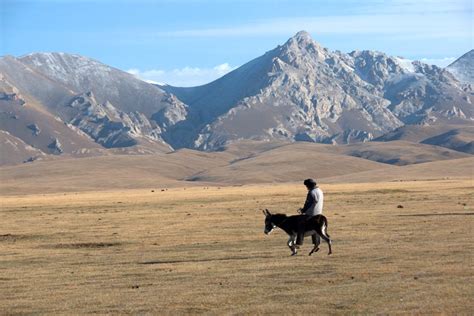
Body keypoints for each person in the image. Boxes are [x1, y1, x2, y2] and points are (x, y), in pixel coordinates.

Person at [295, 178, 324, 247]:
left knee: (300, 224)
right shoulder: (319, 191)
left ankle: (299, 243)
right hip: (319, 213)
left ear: (309, 185)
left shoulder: (311, 192)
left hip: (311, 213)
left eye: (306, 186)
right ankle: (316, 243)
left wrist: (303, 210)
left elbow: (308, 203)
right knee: (315, 227)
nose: (306, 187)